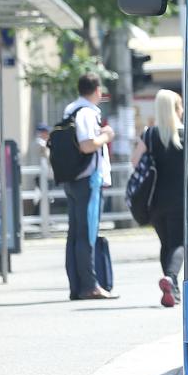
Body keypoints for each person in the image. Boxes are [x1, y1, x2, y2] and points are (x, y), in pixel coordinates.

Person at [64, 73, 117, 299]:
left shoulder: (70, 110)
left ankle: (77, 285)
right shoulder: (86, 113)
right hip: (88, 180)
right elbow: (87, 145)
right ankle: (90, 285)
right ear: (96, 90)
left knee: (75, 234)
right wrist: (106, 135)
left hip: (73, 179)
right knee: (87, 234)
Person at [133, 89, 185, 308]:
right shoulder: (187, 134)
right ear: (175, 108)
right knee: (179, 243)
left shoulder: (150, 135)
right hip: (181, 200)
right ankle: (172, 279)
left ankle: (171, 288)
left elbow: (135, 161)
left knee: (165, 243)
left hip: (154, 200)